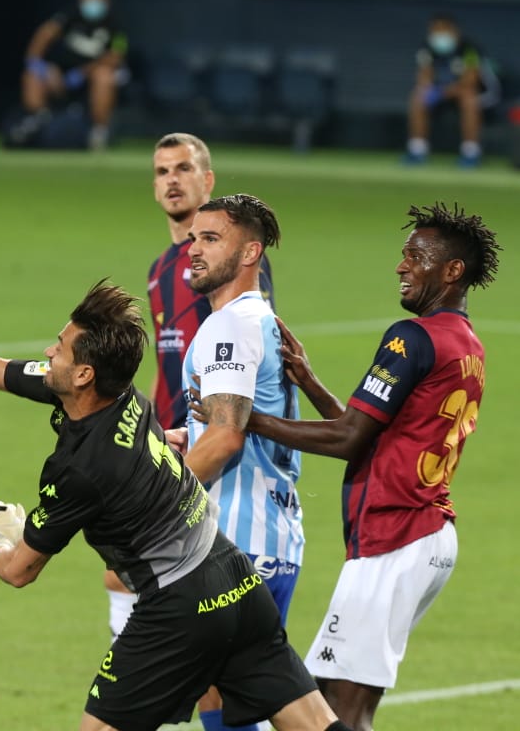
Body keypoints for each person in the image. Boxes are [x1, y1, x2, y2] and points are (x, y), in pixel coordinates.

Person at [0, 281, 350, 731]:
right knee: (313, 723)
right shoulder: (121, 397)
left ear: (83, 373)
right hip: (237, 581)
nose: (50, 351)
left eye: (60, 346)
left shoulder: (81, 469)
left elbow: (18, 571)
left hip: (179, 609)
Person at [198, 202, 501, 731]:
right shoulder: (465, 343)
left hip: (397, 536)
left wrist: (245, 420)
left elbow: (347, 438)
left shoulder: (413, 337)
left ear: (453, 271)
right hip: (423, 534)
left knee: (340, 713)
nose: (402, 266)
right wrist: (311, 383)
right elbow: (368, 435)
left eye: (415, 257)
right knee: (314, 703)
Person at [104, 135, 279, 658]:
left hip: (214, 454)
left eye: (184, 168)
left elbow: (247, 354)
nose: (172, 180)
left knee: (136, 572)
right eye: (161, 171)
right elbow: (167, 364)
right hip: (172, 437)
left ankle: (135, 688)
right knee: (123, 571)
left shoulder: (226, 268)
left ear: (208, 181)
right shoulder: (161, 270)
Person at [180, 194, 303, 731]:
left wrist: (153, 494)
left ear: (251, 251)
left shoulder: (229, 327)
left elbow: (227, 438)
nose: (195, 250)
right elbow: (229, 426)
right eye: (193, 239)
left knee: (238, 697)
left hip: (237, 543)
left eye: (211, 240)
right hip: (267, 536)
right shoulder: (258, 321)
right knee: (228, 696)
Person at [19, 0, 127, 151]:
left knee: (104, 77)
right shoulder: (68, 16)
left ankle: (98, 133)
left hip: (90, 75)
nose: (93, 0)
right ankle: (39, 123)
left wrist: (83, 72)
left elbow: (116, 56)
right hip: (59, 73)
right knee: (32, 76)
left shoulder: (116, 24)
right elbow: (44, 34)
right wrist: (38, 64)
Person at [405, 14, 500, 169]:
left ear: (454, 31)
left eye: (443, 30)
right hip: (441, 95)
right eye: (435, 30)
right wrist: (427, 88)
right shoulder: (426, 48)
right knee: (418, 97)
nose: (439, 34)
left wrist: (443, 92)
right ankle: (417, 150)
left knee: (468, 98)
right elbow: (424, 75)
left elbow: (470, 80)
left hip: (477, 95)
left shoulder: (469, 49)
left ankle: (471, 153)